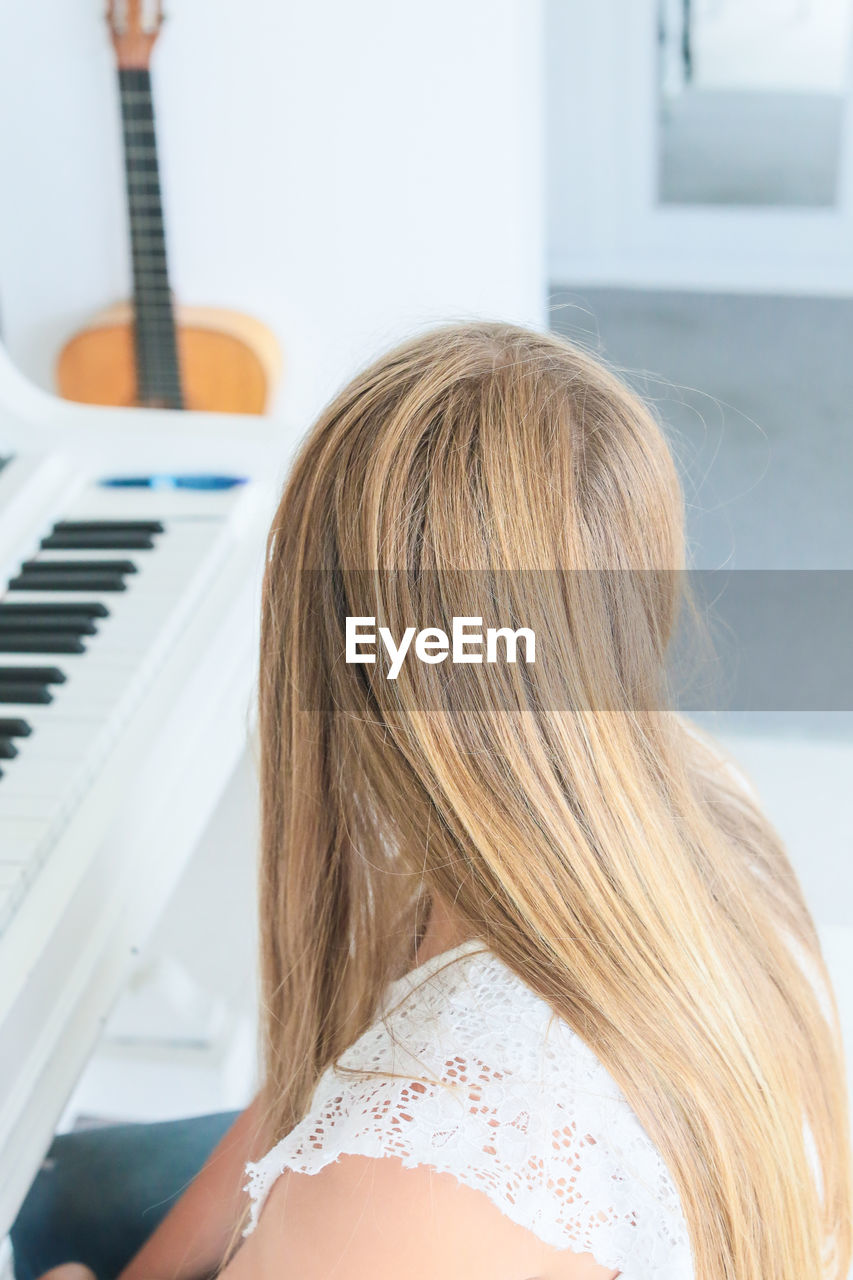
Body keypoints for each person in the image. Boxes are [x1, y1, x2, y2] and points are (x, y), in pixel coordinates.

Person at [15, 322, 852, 1280]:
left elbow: (389, 1173)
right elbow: (322, 1075)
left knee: (44, 1210)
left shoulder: (422, 1171)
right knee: (73, 1185)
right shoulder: (691, 793)